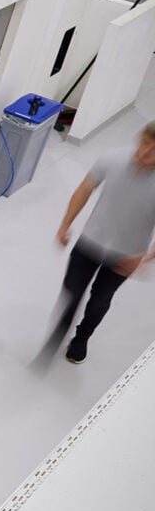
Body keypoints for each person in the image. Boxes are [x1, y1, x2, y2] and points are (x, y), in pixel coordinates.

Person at [43, 122, 155, 363]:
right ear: (140, 137)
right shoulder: (112, 159)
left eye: (154, 150)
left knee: (100, 300)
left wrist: (146, 258)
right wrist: (65, 224)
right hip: (90, 241)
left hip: (126, 254)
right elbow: (84, 189)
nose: (145, 152)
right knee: (72, 293)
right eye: (146, 142)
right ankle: (53, 342)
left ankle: (81, 338)